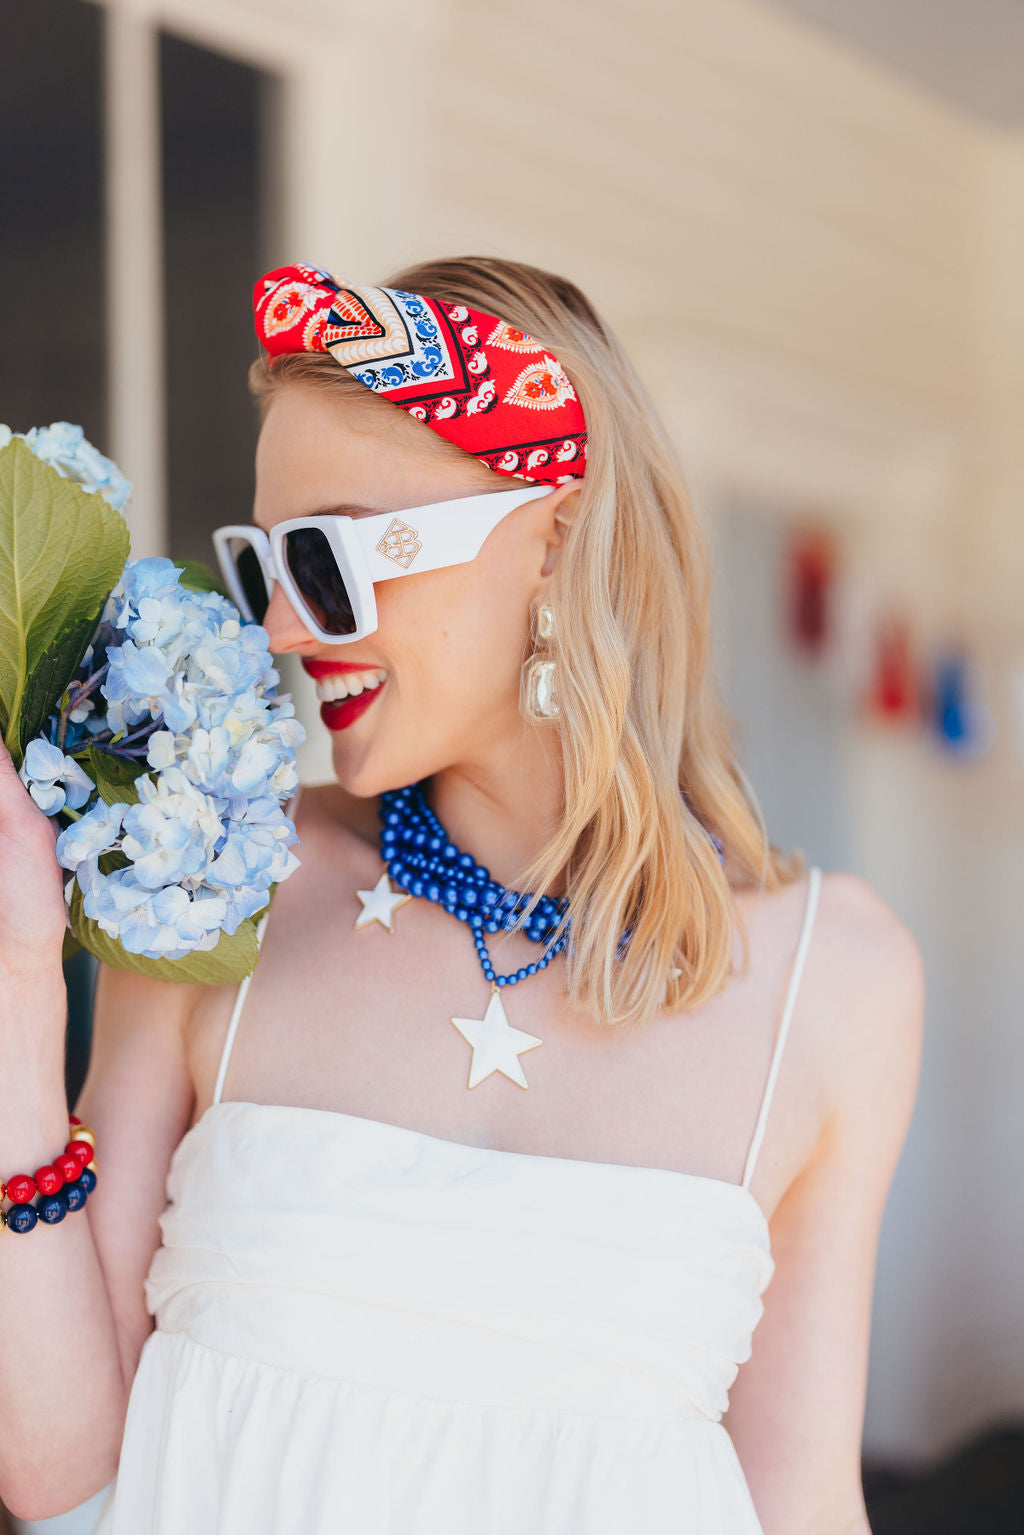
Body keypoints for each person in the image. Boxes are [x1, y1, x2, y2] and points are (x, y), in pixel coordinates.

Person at [0, 256, 924, 1534]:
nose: (278, 625)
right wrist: (12, 979)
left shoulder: (842, 977)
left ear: (549, 537)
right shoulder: (220, 882)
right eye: (260, 563)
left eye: (320, 557)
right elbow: (65, 1486)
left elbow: (804, 1502)